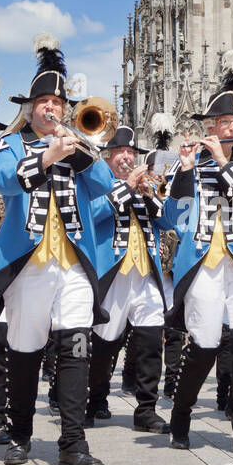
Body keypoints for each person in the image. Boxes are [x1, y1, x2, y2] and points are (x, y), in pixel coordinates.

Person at [0, 33, 115, 465]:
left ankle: (73, 444)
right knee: (25, 350)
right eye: (43, 103)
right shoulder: (9, 145)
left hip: (73, 263)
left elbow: (107, 189)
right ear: (30, 108)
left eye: (58, 103)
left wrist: (82, 155)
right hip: (28, 264)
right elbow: (2, 183)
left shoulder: (79, 147)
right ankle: (19, 434)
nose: (51, 109)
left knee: (76, 347)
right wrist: (46, 158)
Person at [160, 48, 233, 457]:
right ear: (209, 125)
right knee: (205, 344)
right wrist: (187, 171)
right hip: (204, 265)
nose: (231, 127)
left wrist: (226, 162)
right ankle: (182, 413)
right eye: (223, 122)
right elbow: (170, 217)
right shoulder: (185, 166)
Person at [86, 125, 171, 434]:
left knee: (150, 343)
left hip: (146, 273)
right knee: (104, 344)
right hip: (114, 273)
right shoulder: (97, 182)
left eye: (132, 153)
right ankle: (94, 400)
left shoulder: (147, 185)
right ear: (107, 156)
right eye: (121, 152)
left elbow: (170, 221)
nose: (127, 157)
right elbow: (89, 216)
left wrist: (149, 195)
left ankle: (146, 409)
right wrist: (125, 189)